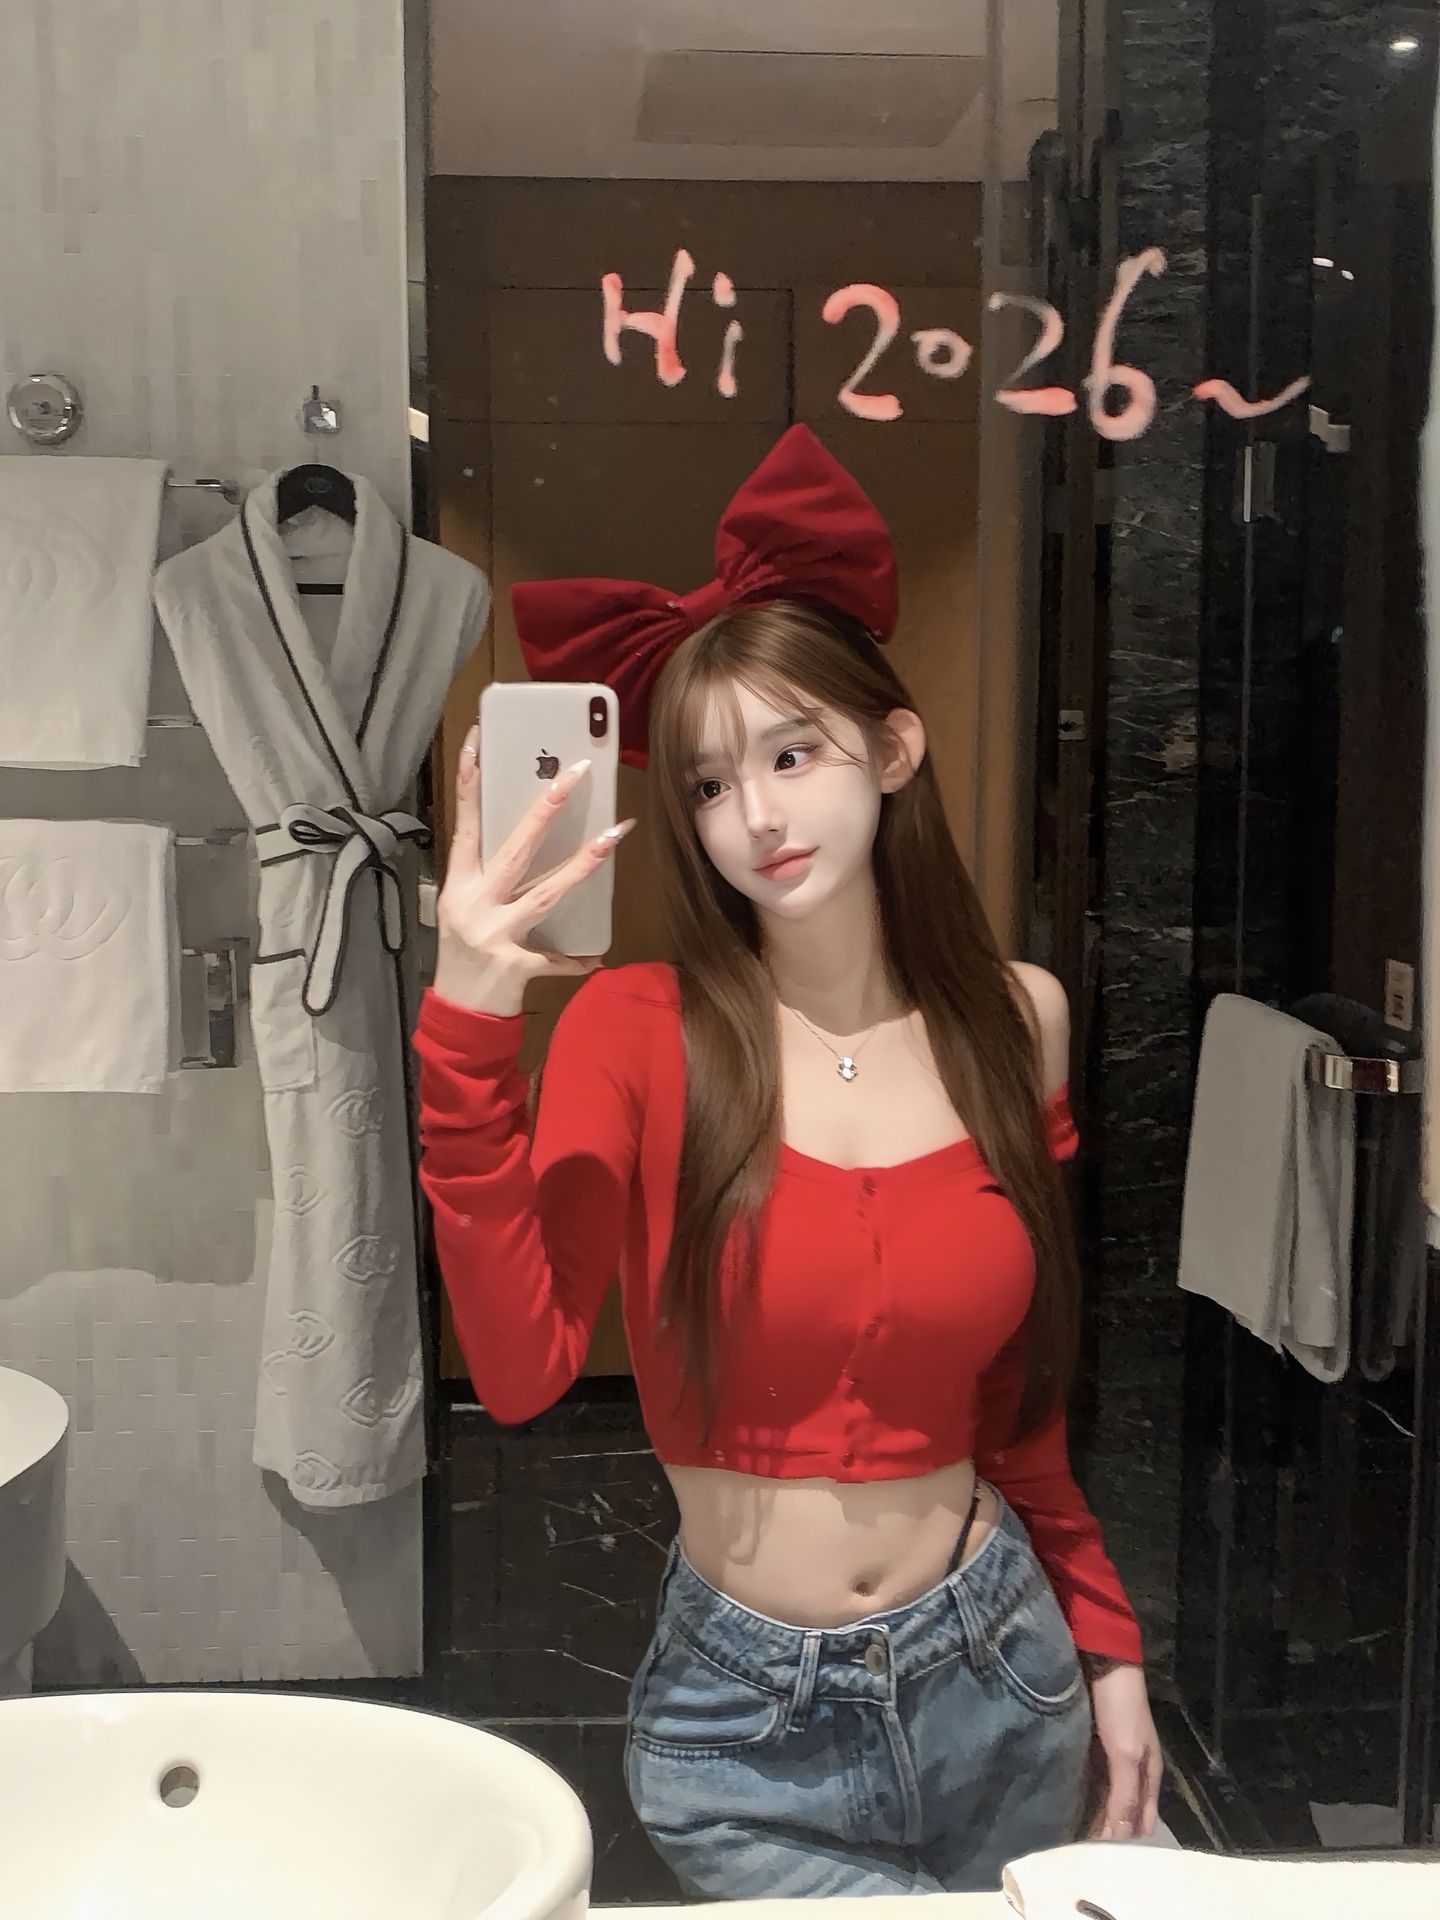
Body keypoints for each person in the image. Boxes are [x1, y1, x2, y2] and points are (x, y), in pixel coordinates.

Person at [413, 426, 1161, 1898]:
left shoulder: (1018, 1022)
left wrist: (1107, 1643)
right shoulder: (637, 1031)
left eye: (792, 753)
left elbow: (1018, 1411)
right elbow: (520, 1371)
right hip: (747, 1730)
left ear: (894, 749)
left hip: (1004, 1675)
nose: (753, 816)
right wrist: (468, 1025)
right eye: (705, 784)